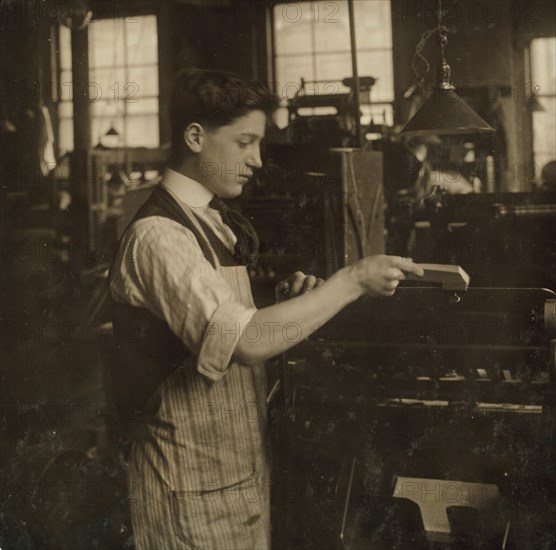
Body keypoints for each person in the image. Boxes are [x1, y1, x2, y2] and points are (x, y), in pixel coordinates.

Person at [109, 69, 424, 550]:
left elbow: (231, 326)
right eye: (245, 142)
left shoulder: (211, 222)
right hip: (189, 489)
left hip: (232, 478)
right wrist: (354, 279)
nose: (256, 160)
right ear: (195, 136)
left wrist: (288, 308)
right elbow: (246, 342)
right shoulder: (160, 237)